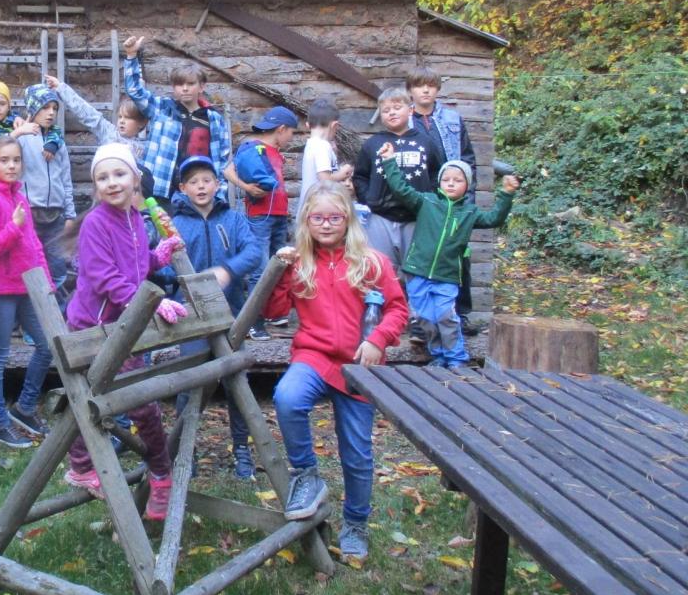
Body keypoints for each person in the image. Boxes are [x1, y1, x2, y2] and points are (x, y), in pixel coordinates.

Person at [267, 182, 408, 560]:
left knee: (357, 454)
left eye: (334, 217)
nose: (326, 224)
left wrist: (378, 339)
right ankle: (306, 475)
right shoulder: (299, 262)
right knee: (288, 397)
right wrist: (278, 271)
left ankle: (356, 523)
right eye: (318, 218)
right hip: (313, 355)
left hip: (359, 364)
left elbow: (397, 309)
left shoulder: (372, 262)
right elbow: (275, 311)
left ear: (348, 220)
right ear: (306, 221)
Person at [63, 143, 185, 520]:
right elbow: (104, 276)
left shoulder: (134, 218)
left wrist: (158, 256)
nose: (112, 182)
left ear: (136, 179)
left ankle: (158, 474)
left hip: (125, 326)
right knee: (103, 401)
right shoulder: (96, 223)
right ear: (95, 186)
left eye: (119, 174)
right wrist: (150, 303)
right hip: (94, 327)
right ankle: (89, 467)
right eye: (103, 177)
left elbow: (134, 263)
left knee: (134, 404)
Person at [379, 144, 519, 367]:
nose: (451, 183)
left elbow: (494, 218)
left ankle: (456, 358)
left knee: (446, 317)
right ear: (440, 183)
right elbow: (401, 188)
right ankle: (438, 355)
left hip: (447, 275)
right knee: (424, 317)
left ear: (467, 185)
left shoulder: (469, 212)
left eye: (457, 180)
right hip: (418, 271)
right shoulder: (427, 202)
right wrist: (389, 161)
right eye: (446, 180)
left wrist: (506, 194)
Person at [167, 156, 264, 478]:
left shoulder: (233, 219)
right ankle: (185, 451)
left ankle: (241, 449)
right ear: (183, 188)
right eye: (193, 182)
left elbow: (253, 252)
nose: (201, 187)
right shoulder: (174, 224)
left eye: (206, 180)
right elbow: (163, 266)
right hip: (191, 318)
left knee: (237, 383)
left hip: (230, 315)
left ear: (217, 184)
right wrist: (174, 281)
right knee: (190, 383)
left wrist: (227, 270)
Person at [0, 135, 58, 449]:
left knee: (48, 345)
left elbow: (34, 245)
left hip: (28, 287)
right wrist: (13, 226)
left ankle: (24, 407)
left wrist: (47, 283)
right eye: (4, 160)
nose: (11, 166)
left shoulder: (19, 195)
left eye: (16, 160)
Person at [352, 86, 446, 295]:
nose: (392, 113)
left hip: (416, 218)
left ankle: (416, 312)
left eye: (397, 107)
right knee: (380, 271)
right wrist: (370, 200)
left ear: (410, 110)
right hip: (381, 218)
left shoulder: (426, 142)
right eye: (386, 110)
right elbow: (360, 176)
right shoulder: (372, 144)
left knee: (417, 272)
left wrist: (429, 202)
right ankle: (381, 310)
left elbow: (437, 174)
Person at [406, 67, 480, 333]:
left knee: (458, 255)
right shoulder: (404, 120)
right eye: (419, 85)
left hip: (452, 198)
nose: (425, 90)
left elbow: (467, 159)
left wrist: (467, 197)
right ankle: (420, 318)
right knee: (422, 257)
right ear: (410, 91)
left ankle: (460, 314)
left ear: (438, 89)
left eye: (431, 85)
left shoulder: (451, 119)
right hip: (424, 200)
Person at [122, 35, 232, 204]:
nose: (185, 88)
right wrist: (131, 55)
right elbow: (135, 91)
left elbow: (222, 160)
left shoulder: (214, 119)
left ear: (201, 87)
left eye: (191, 84)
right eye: (180, 85)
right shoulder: (161, 108)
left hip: (198, 193)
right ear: (174, 88)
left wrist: (219, 194)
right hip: (160, 189)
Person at [233, 105, 298, 340]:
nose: (291, 138)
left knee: (278, 265)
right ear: (281, 129)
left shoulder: (274, 151)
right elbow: (229, 170)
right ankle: (252, 321)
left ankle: (273, 313)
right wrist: (247, 187)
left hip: (279, 215)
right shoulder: (253, 148)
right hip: (260, 216)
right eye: (291, 133)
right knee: (259, 269)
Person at [18, 83, 75, 294]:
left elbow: (66, 179)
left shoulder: (58, 142)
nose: (51, 113)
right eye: (45, 107)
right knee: (30, 268)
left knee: (58, 270)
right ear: (33, 108)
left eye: (54, 108)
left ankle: (55, 312)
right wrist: (17, 132)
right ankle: (33, 311)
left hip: (56, 217)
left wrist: (70, 214)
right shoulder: (21, 139)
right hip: (30, 214)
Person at [45, 75, 148, 167]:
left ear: (141, 123)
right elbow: (87, 113)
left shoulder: (145, 149)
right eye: (120, 117)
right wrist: (61, 88)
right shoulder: (109, 132)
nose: (122, 121)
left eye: (128, 118)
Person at [299, 98, 353, 211]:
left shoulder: (312, 144)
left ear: (308, 125)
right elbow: (325, 179)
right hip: (318, 207)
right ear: (335, 125)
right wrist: (342, 173)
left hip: (310, 206)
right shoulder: (322, 146)